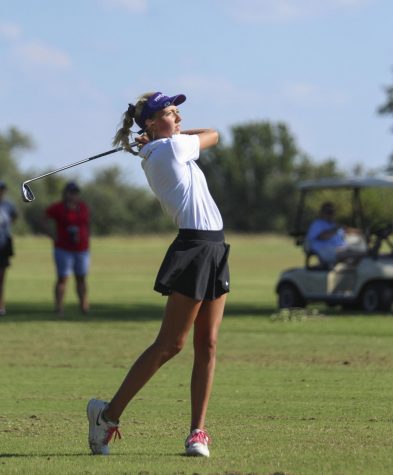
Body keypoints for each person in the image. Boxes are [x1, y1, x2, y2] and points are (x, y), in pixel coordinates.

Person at [87, 92, 230, 458]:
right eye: (170, 113)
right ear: (150, 122)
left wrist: (157, 136)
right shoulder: (169, 151)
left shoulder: (164, 148)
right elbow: (214, 133)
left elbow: (196, 135)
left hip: (214, 247)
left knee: (208, 343)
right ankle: (107, 415)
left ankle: (198, 433)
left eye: (179, 112)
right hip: (196, 247)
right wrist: (160, 139)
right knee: (171, 344)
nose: (179, 118)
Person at [43, 182, 90, 315]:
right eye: (71, 192)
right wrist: (51, 234)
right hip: (63, 248)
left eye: (76, 193)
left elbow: (87, 225)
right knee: (62, 278)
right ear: (66, 193)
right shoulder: (58, 207)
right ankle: (59, 308)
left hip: (82, 248)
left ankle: (84, 307)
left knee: (81, 278)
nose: (74, 195)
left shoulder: (83, 207)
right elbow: (43, 218)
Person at [306, 201, 367, 267]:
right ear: (322, 212)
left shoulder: (333, 224)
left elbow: (346, 230)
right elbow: (322, 236)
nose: (330, 214)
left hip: (340, 249)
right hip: (327, 251)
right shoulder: (317, 224)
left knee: (362, 252)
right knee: (361, 253)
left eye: (332, 212)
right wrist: (335, 229)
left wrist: (359, 232)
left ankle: (349, 270)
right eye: (328, 212)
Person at [0, 181, 18, 316]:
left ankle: (1, 307)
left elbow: (14, 217)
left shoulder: (8, 205)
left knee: (1, 278)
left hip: (4, 245)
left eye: (2, 190)